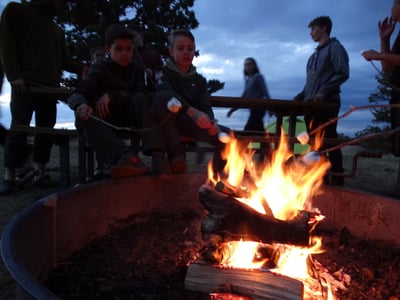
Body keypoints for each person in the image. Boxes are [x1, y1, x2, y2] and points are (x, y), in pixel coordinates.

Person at [0, 0, 84, 195]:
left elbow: (66, 61)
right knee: (19, 127)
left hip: (50, 88)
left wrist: (87, 68)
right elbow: (5, 43)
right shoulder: (17, 10)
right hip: (25, 84)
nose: (66, 6)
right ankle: (9, 176)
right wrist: (14, 75)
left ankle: (40, 172)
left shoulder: (55, 29)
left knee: (46, 129)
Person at [67, 23, 163, 179]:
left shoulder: (137, 69)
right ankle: (124, 158)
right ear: (108, 49)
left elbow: (141, 94)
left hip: (130, 119)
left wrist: (114, 95)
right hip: (105, 121)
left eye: (128, 49)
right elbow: (78, 93)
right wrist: (81, 105)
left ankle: (157, 154)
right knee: (84, 116)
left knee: (141, 98)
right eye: (119, 49)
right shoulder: (100, 68)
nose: (124, 53)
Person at [151, 29, 229, 177]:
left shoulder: (199, 80)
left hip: (191, 124)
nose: (186, 52)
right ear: (171, 51)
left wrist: (211, 122)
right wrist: (192, 112)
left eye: (190, 48)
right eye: (180, 49)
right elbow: (166, 95)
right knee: (162, 98)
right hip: (169, 122)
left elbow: (205, 105)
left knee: (227, 136)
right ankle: (176, 157)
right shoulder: (162, 72)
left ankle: (218, 179)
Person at [294, 16, 349, 186]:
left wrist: (324, 91)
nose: (311, 33)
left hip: (327, 104)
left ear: (324, 28)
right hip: (311, 105)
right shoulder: (313, 56)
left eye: (314, 29)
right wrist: (299, 98)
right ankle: (321, 180)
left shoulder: (335, 48)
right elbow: (310, 83)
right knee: (314, 143)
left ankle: (338, 180)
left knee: (327, 140)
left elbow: (342, 73)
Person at [362, 0, 400, 156]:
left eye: (395, 4)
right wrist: (384, 39)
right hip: (397, 95)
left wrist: (378, 55)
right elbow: (387, 67)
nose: (391, 9)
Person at [227, 57, 271, 131]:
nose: (248, 67)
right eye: (246, 65)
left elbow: (265, 92)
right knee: (260, 132)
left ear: (254, 66)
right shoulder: (248, 80)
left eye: (250, 64)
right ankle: (267, 143)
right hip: (253, 110)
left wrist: (270, 108)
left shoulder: (258, 77)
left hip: (259, 109)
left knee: (247, 131)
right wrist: (232, 110)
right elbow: (243, 97)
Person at [131, 29, 164, 93]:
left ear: (141, 36)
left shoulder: (153, 53)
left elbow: (161, 72)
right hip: (134, 91)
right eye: (130, 37)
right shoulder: (128, 55)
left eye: (134, 36)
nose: (132, 39)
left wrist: (153, 73)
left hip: (153, 90)